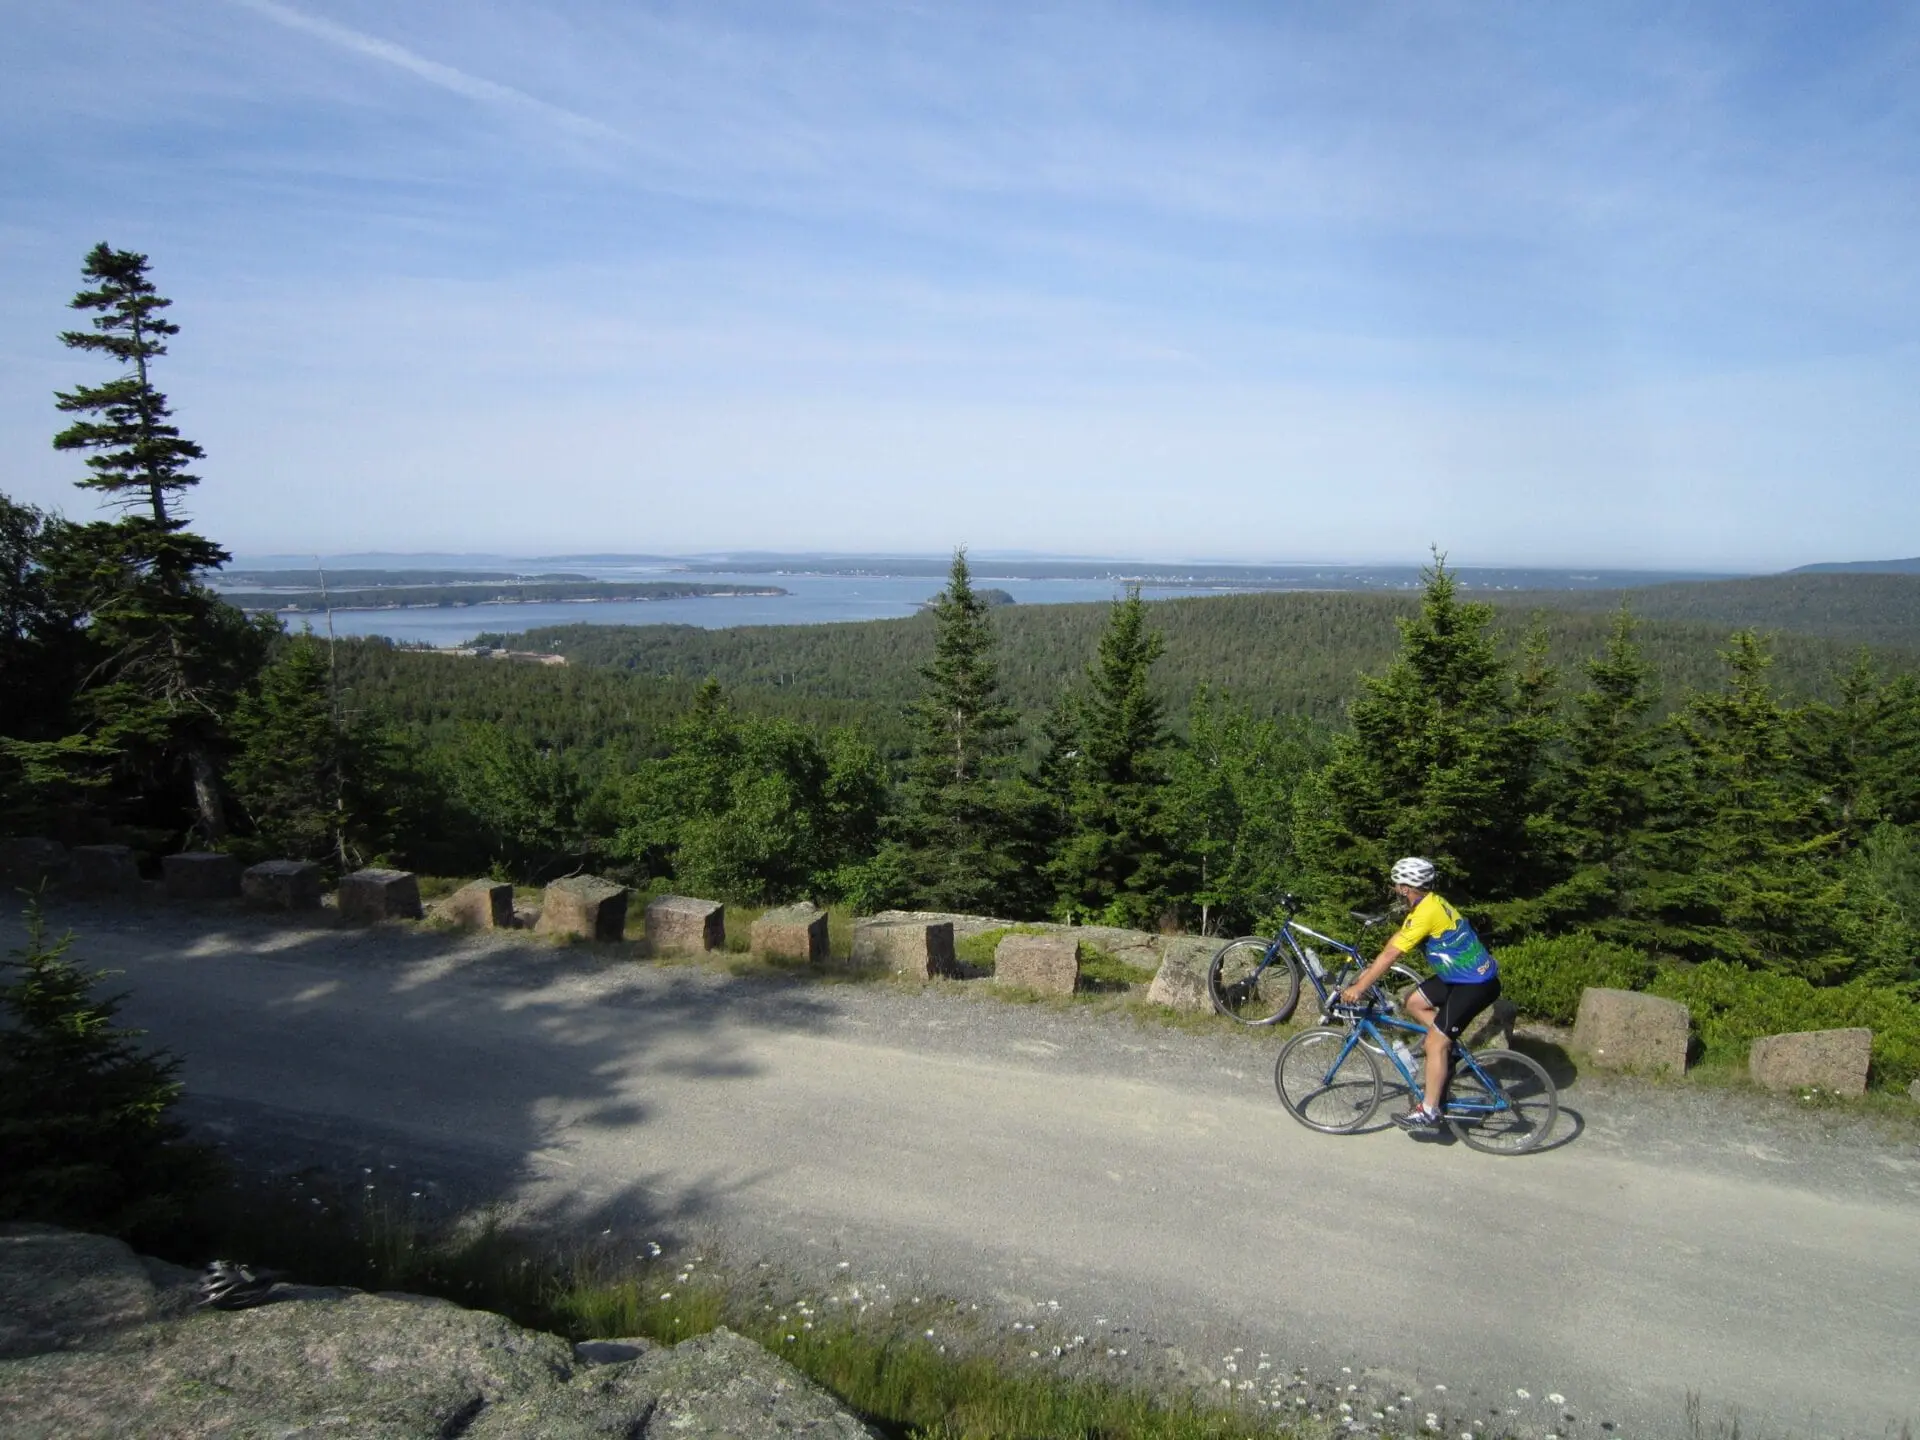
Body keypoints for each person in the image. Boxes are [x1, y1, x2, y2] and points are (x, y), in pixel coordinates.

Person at [1336, 856, 1500, 1130]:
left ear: (1405, 888)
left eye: (1396, 885)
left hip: (1475, 984)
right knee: (1413, 1002)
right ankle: (1449, 1047)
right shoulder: (1429, 902)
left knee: (1433, 1044)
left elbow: (1391, 955)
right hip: (1461, 975)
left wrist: (1359, 988)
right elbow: (1396, 941)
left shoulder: (1426, 913)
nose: (1394, 890)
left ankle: (1428, 1111)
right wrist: (1363, 978)